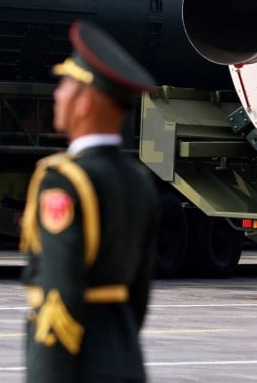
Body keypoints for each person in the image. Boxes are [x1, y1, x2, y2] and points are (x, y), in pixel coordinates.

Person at [20, 20, 161, 383]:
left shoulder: (64, 180)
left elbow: (59, 289)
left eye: (66, 84)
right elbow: (139, 290)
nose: (58, 95)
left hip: (77, 366)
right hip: (123, 356)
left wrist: (47, 374)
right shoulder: (139, 181)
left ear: (85, 100)